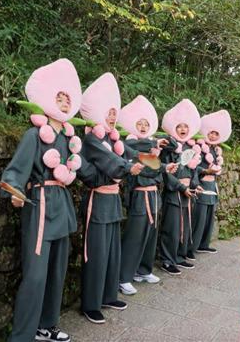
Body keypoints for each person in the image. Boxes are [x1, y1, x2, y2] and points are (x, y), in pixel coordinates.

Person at [1, 59, 98, 342]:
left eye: (68, 98)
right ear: (46, 100)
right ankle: (22, 335)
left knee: (57, 272)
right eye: (59, 97)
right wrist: (15, 193)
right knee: (35, 275)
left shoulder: (69, 139)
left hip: (62, 204)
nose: (65, 102)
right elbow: (14, 171)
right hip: (41, 204)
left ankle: (46, 326)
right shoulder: (34, 135)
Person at [78, 73, 146, 324]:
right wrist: (128, 168)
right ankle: (90, 303)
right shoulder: (92, 139)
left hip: (113, 200)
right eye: (108, 112)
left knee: (112, 251)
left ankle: (107, 295)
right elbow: (112, 163)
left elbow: (130, 153)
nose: (112, 116)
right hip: (97, 201)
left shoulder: (111, 138)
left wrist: (149, 157)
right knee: (95, 253)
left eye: (114, 112)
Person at [117, 95, 178, 295]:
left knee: (151, 234)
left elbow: (168, 151)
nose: (143, 126)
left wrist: (164, 163)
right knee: (134, 236)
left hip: (153, 196)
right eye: (139, 123)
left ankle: (143, 270)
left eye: (146, 124)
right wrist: (154, 147)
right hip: (139, 196)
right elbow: (140, 157)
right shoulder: (130, 143)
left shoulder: (151, 145)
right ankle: (124, 277)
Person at [159, 99, 203, 275]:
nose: (183, 129)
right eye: (179, 126)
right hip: (173, 192)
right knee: (172, 226)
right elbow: (166, 172)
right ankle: (166, 259)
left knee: (184, 225)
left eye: (186, 126)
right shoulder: (168, 147)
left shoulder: (188, 147)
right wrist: (179, 186)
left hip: (187, 192)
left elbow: (191, 171)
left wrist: (195, 185)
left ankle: (178, 255)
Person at [189, 110, 231, 259]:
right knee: (199, 218)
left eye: (216, 134)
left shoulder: (215, 150)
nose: (212, 136)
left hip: (212, 186)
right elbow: (192, 167)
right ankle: (191, 247)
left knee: (209, 217)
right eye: (211, 133)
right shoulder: (198, 147)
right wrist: (206, 170)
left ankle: (203, 244)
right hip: (201, 184)